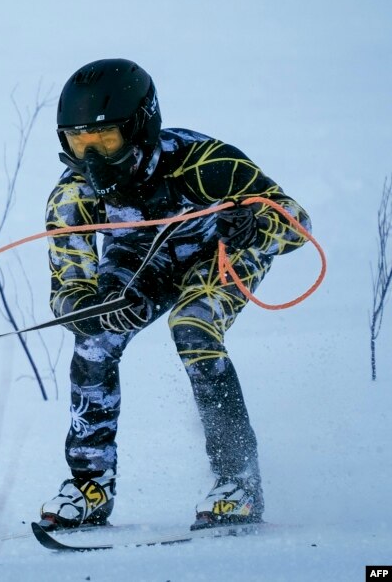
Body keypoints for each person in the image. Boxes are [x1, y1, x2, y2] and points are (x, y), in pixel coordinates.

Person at [39, 58, 311, 531]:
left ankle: (238, 480)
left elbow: (298, 223)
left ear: (142, 127)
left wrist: (255, 224)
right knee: (95, 339)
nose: (93, 160)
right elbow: (68, 290)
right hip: (143, 261)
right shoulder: (74, 197)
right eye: (78, 145)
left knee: (193, 325)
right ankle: (91, 484)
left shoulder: (206, 163)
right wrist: (89, 309)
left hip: (221, 249)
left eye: (106, 142)